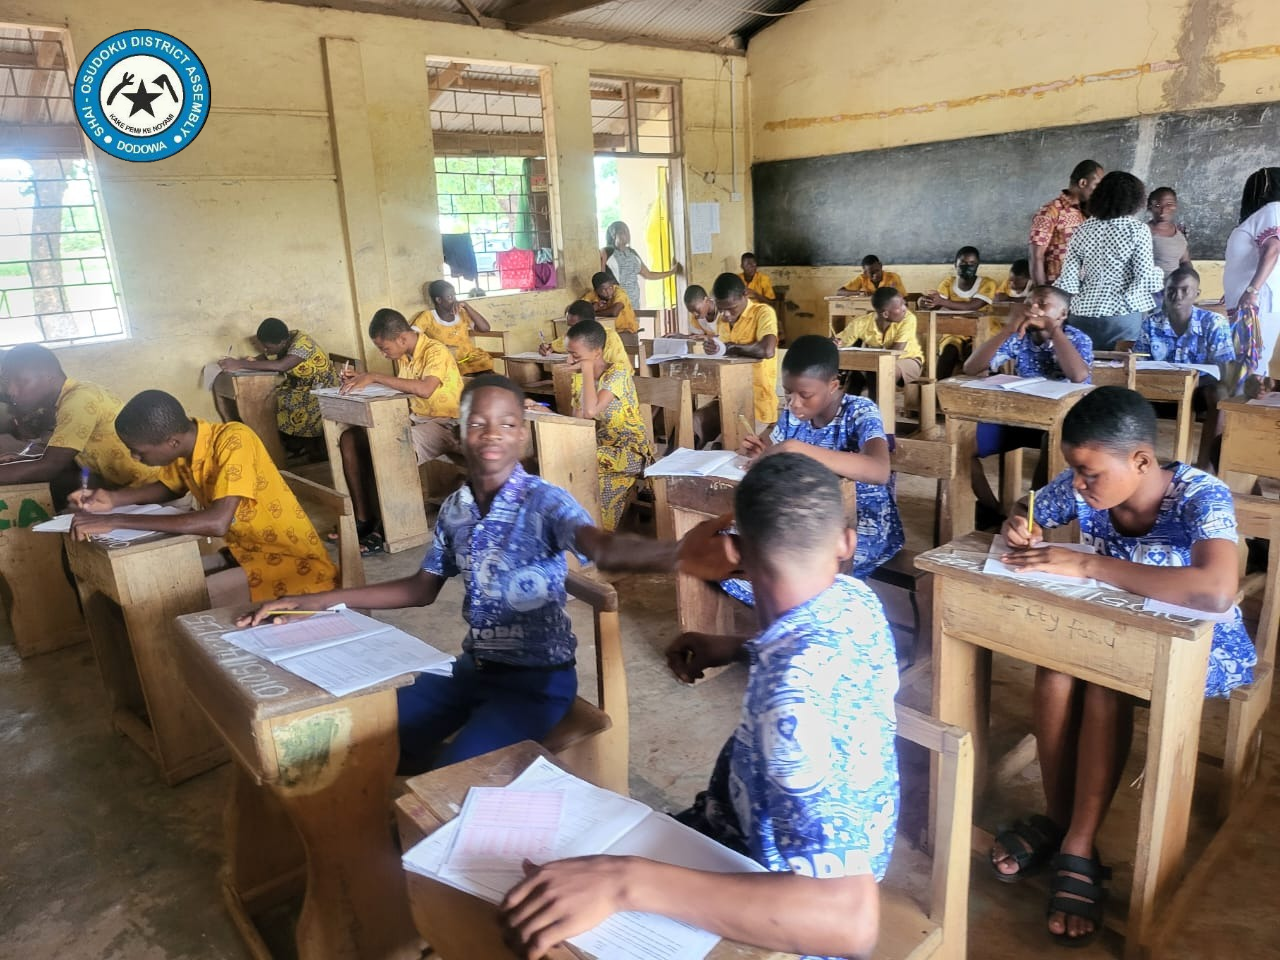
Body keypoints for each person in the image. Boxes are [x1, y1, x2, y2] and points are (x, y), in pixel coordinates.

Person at [500, 453, 897, 960]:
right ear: (846, 542)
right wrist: (737, 646)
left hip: (783, 904)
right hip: (739, 832)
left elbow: (850, 923)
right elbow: (814, 648)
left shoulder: (794, 703)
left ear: (735, 553)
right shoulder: (854, 599)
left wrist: (626, 882)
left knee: (553, 912)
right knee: (571, 876)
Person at [242, 375, 682, 774]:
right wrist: (317, 601)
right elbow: (421, 588)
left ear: (523, 438)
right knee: (363, 735)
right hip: (470, 672)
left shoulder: (544, 501)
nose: (492, 434)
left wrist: (679, 554)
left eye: (507, 424)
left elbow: (599, 544)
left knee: (452, 779)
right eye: (478, 424)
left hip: (535, 684)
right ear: (458, 434)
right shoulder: (456, 508)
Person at [989, 386, 1253, 946]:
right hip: (1112, 634)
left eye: (1088, 474)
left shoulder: (1200, 496)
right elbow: (1033, 505)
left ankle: (1077, 841)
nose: (1079, 487)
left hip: (1198, 646)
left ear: (1140, 461)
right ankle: (1066, 830)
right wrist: (1022, 521)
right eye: (1074, 474)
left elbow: (1215, 591)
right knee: (1056, 666)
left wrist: (1089, 566)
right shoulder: (1085, 487)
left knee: (1102, 681)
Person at [69, 390, 337, 604]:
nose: (135, 458)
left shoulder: (234, 439)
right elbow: (169, 487)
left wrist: (118, 520)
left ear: (171, 442)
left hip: (294, 563)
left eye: (138, 451)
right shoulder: (186, 448)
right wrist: (114, 499)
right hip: (243, 554)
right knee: (157, 583)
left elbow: (217, 522)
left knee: (174, 601)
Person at [742, 335, 903, 579]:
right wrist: (763, 453)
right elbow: (772, 444)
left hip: (862, 527)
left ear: (833, 386)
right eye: (788, 393)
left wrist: (796, 449)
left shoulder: (859, 411)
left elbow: (879, 471)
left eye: (805, 395)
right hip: (808, 521)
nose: (794, 403)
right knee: (735, 553)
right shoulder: (793, 415)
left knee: (785, 571)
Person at [337, 309, 463, 553]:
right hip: (418, 420)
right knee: (350, 439)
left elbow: (425, 389)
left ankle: (391, 526)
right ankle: (364, 518)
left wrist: (373, 376)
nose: (384, 354)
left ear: (402, 339)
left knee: (392, 446)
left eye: (384, 348)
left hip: (447, 423)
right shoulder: (406, 356)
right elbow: (404, 388)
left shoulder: (435, 351)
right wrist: (361, 379)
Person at [962, 286, 1092, 518]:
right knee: (963, 445)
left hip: (1062, 424)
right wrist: (1009, 328)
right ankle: (993, 510)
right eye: (1028, 302)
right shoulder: (1019, 338)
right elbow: (971, 368)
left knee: (1050, 439)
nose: (1032, 308)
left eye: (1042, 304)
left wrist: (1054, 330)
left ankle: (1031, 515)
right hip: (1021, 419)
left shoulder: (1076, 338)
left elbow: (1078, 375)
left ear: (1062, 314)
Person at [0, 344, 158, 506]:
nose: (11, 391)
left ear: (48, 375)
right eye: (7, 383)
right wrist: (26, 460)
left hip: (155, 492)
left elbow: (50, 466)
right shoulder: (68, 400)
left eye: (20, 381)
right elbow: (66, 459)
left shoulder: (78, 401)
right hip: (132, 492)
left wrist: (34, 463)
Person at [1134, 266, 1235, 468]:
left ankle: (1204, 466)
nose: (1177, 296)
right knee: (1125, 390)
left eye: (1184, 290)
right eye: (1171, 290)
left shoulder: (1213, 323)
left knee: (1220, 394)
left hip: (1199, 393)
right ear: (1164, 292)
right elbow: (1140, 361)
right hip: (1159, 389)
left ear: (1196, 294)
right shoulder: (1151, 323)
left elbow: (1226, 367)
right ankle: (1138, 462)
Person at [1056, 171, 1165, 351]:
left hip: (1082, 312)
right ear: (1136, 199)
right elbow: (1144, 278)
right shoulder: (1137, 229)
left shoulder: (1082, 229)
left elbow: (1068, 279)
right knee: (1119, 373)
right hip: (1121, 313)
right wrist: (1158, 274)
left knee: (1085, 370)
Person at [564, 319, 651, 531]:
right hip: (603, 452)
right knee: (573, 461)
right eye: (568, 353)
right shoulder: (580, 379)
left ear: (596, 352)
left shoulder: (618, 373)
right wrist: (544, 411)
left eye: (575, 355)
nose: (568, 360)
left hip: (632, 453)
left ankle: (599, 532)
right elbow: (579, 421)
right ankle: (583, 528)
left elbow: (592, 410)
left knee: (585, 461)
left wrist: (585, 370)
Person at [217, 317, 337, 459]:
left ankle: (297, 444)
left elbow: (282, 365)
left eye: (268, 347)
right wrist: (251, 360)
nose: (266, 350)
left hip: (323, 390)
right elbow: (270, 358)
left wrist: (240, 364)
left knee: (273, 403)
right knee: (269, 396)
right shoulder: (286, 338)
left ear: (282, 342)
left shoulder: (303, 345)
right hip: (302, 386)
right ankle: (293, 443)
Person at [1223, 167, 1280, 387]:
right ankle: (1240, 415)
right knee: (1248, 363)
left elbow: (1273, 250)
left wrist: (1252, 290)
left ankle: (1241, 416)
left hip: (1257, 301)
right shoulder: (1265, 214)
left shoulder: (1273, 209)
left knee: (1249, 364)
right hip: (1253, 299)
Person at [709, 272, 779, 432]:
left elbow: (767, 350)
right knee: (697, 423)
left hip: (757, 403)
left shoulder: (763, 312)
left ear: (745, 295)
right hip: (728, 395)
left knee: (729, 445)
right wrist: (715, 348)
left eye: (731, 309)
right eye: (721, 309)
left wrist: (729, 347)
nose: (726, 314)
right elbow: (723, 352)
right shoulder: (723, 320)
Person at [918, 246, 999, 379]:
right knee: (948, 353)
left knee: (972, 354)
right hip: (956, 331)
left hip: (984, 331)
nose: (967, 267)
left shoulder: (987, 283)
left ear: (978, 265)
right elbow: (937, 303)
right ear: (955, 265)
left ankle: (972, 393)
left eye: (972, 264)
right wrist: (925, 302)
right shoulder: (948, 283)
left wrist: (942, 302)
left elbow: (973, 306)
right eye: (963, 264)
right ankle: (938, 393)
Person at [833, 286, 924, 393]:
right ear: (885, 314)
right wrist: (835, 343)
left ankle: (879, 408)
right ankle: (851, 407)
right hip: (876, 363)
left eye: (904, 303)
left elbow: (895, 353)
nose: (905, 309)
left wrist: (866, 366)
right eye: (900, 306)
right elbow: (840, 341)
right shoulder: (862, 323)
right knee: (855, 377)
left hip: (909, 360)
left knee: (878, 371)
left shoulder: (908, 318)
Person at [1029, 159, 1105, 285]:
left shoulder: (1088, 212)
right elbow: (1036, 257)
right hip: (1059, 291)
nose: (1099, 192)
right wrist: (1042, 294)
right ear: (1083, 183)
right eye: (1097, 185)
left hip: (1084, 290)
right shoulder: (1051, 211)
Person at [413, 279, 495, 375]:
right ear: (439, 300)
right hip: (447, 361)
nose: (454, 300)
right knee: (469, 376)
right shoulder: (428, 316)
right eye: (449, 297)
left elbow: (485, 328)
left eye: (454, 295)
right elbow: (412, 336)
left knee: (486, 368)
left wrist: (467, 306)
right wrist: (433, 347)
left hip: (471, 359)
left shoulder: (461, 313)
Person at [601, 220, 677, 309]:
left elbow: (648, 274)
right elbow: (601, 278)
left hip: (634, 306)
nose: (626, 235)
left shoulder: (632, 253)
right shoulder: (607, 252)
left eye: (627, 232)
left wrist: (671, 272)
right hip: (616, 306)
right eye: (622, 232)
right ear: (613, 234)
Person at [540, 300, 631, 375]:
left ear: (588, 323)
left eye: (575, 326)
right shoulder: (574, 336)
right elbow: (554, 346)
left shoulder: (610, 338)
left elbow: (621, 372)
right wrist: (546, 347)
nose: (571, 330)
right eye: (569, 326)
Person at [1146, 187, 1191, 278]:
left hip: (1173, 288)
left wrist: (1190, 279)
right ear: (1150, 207)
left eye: (1169, 205)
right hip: (1153, 289)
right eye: (1157, 206)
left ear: (1175, 206)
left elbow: (1184, 261)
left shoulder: (1179, 232)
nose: (1163, 211)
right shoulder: (1144, 232)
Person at [839, 255, 906, 296]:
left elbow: (903, 297)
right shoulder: (862, 278)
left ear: (880, 266)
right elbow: (840, 292)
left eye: (877, 271)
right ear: (865, 272)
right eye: (871, 273)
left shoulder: (893, 277)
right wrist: (860, 293)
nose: (876, 275)